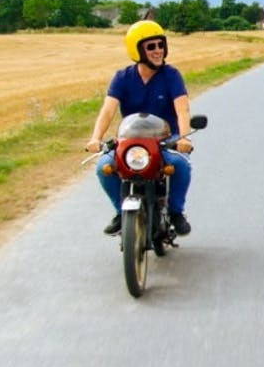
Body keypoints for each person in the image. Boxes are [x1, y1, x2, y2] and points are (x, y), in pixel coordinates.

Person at [84, 20, 195, 236]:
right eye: (151, 47)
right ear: (137, 50)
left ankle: (175, 212)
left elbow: (182, 110)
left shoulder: (171, 75)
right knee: (104, 168)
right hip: (130, 140)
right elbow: (108, 111)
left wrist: (183, 138)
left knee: (180, 164)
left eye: (160, 45)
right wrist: (95, 138)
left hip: (165, 139)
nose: (158, 51)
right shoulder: (122, 77)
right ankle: (121, 213)